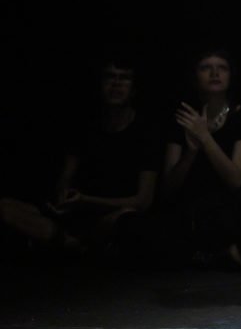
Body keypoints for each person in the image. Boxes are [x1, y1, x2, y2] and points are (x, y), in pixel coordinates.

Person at [0, 56, 159, 258]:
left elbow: (143, 200)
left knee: (130, 221)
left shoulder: (146, 132)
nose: (116, 84)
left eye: (124, 78)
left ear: (134, 89)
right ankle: (73, 244)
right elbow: (67, 175)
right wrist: (63, 197)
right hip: (77, 214)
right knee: (6, 207)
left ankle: (71, 244)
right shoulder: (86, 126)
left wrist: (87, 201)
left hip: (113, 215)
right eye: (110, 77)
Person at [161, 49, 241, 268]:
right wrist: (191, 152)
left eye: (222, 68)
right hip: (191, 205)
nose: (215, 73)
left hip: (232, 205)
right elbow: (168, 188)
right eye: (206, 67)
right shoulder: (183, 119)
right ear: (195, 76)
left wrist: (205, 138)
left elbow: (235, 180)